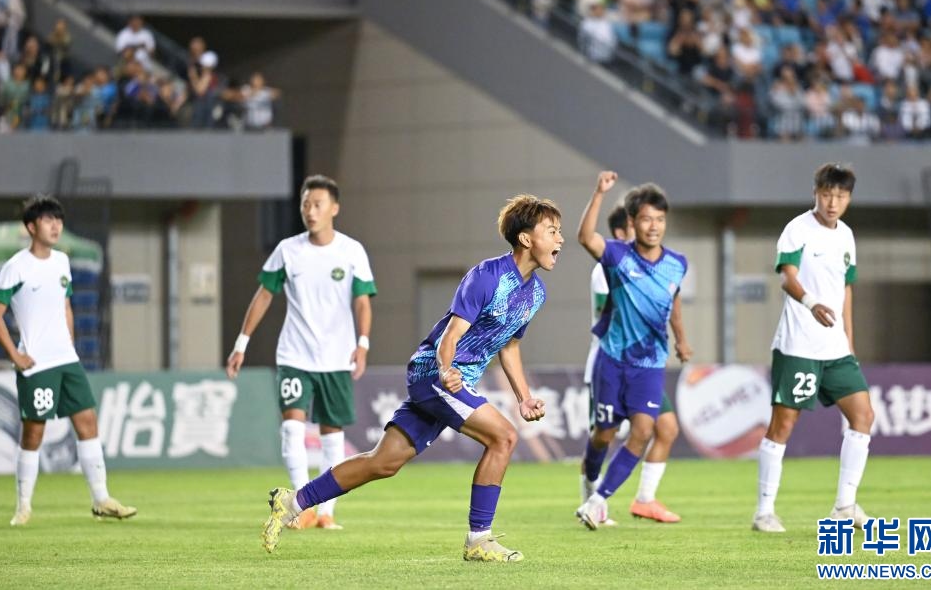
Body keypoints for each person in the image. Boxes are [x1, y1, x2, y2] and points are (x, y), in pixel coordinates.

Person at [259, 195, 563, 562]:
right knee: (505, 437)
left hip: (453, 381)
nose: (560, 239)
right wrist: (447, 370)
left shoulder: (535, 294)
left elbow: (509, 346)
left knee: (383, 462)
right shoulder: (488, 276)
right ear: (526, 238)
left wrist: (523, 397)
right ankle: (479, 539)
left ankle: (293, 502)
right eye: (552, 231)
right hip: (434, 373)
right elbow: (450, 335)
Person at [227, 175, 375, 531]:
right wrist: (241, 344)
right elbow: (264, 294)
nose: (310, 211)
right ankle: (301, 506)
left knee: (331, 434)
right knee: (292, 427)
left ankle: (326, 512)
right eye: (305, 204)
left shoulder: (352, 251)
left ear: (334, 208)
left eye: (317, 204)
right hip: (294, 355)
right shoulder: (288, 250)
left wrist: (363, 343)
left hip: (336, 357)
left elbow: (362, 301)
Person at [0, 195, 136, 526]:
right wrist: (15, 355)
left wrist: (70, 343)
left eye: (59, 220)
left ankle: (101, 499)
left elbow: (66, 305)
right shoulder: (16, 267)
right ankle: (23, 506)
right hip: (36, 364)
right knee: (34, 433)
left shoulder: (62, 262)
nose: (56, 226)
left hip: (66, 359)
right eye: (48, 220)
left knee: (88, 422)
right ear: (31, 227)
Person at [752, 163, 872, 533]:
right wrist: (811, 303)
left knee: (863, 416)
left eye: (840, 196)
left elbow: (846, 289)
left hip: (835, 349)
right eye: (826, 194)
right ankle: (764, 511)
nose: (832, 202)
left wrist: (849, 341)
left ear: (849, 198)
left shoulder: (847, 235)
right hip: (798, 344)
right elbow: (787, 277)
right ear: (815, 193)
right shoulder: (797, 229)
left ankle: (844, 506)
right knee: (783, 425)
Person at [575, 172, 689, 530]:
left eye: (659, 219)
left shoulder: (678, 263)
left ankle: (598, 501)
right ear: (633, 222)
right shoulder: (616, 256)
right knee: (604, 435)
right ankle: (588, 488)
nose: (653, 226)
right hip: (612, 360)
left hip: (650, 364)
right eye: (646, 219)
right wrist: (598, 193)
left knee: (644, 430)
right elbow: (585, 238)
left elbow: (673, 298)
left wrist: (681, 339)